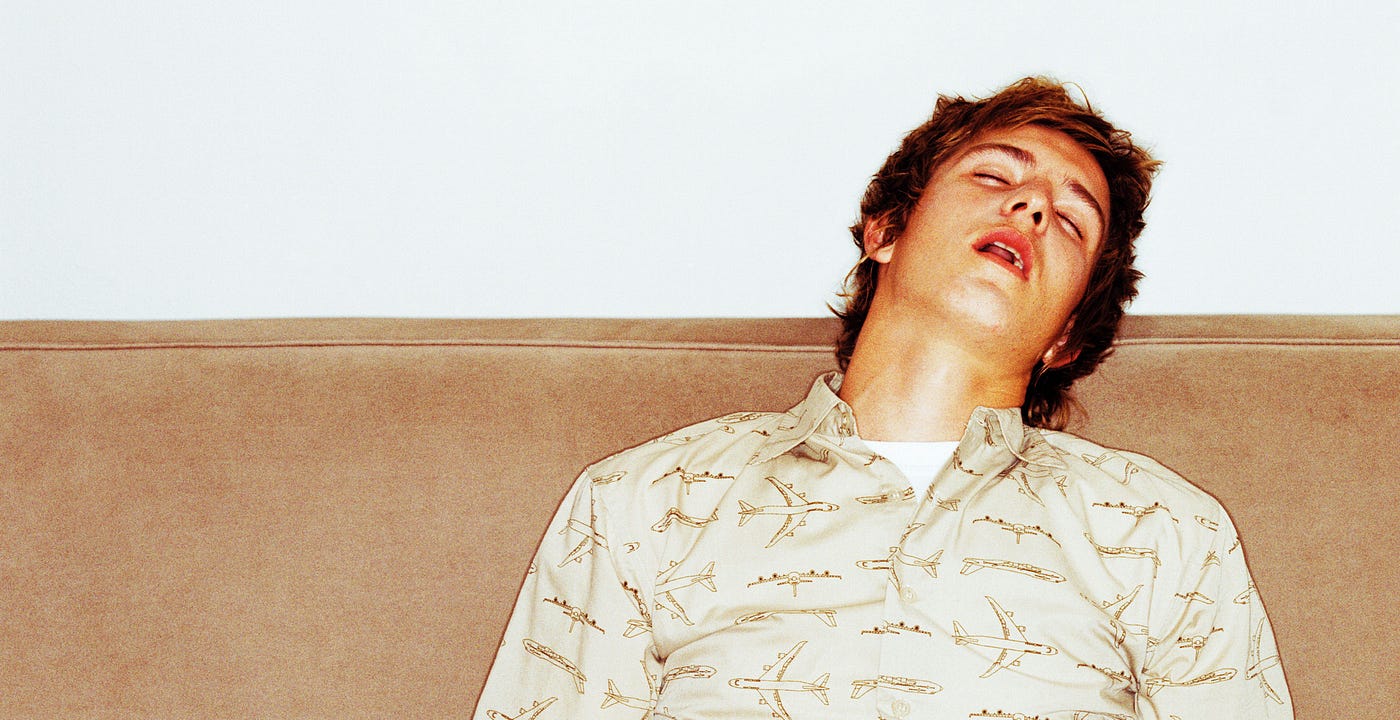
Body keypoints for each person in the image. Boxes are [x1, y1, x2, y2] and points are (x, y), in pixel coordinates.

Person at [472, 77, 1293, 720]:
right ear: (886, 230)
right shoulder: (643, 500)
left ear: (1068, 337)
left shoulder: (1165, 531)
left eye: (1072, 221)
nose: (1033, 206)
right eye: (994, 176)